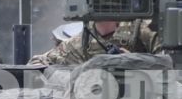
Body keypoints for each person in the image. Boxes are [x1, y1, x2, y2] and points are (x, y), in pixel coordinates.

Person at [27, 18, 157, 67]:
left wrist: (136, 62)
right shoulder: (80, 43)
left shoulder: (142, 30)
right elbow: (36, 65)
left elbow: (171, 65)